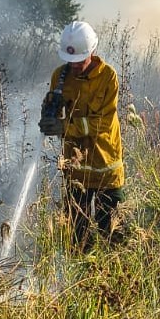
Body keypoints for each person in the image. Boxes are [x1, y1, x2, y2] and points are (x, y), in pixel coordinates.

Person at [39, 20, 126, 247]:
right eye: (70, 61)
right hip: (76, 172)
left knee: (114, 236)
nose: (74, 65)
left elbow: (104, 123)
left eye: (79, 60)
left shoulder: (108, 77)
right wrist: (49, 116)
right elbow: (55, 111)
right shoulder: (60, 75)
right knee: (77, 238)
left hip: (106, 168)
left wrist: (66, 127)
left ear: (92, 51)